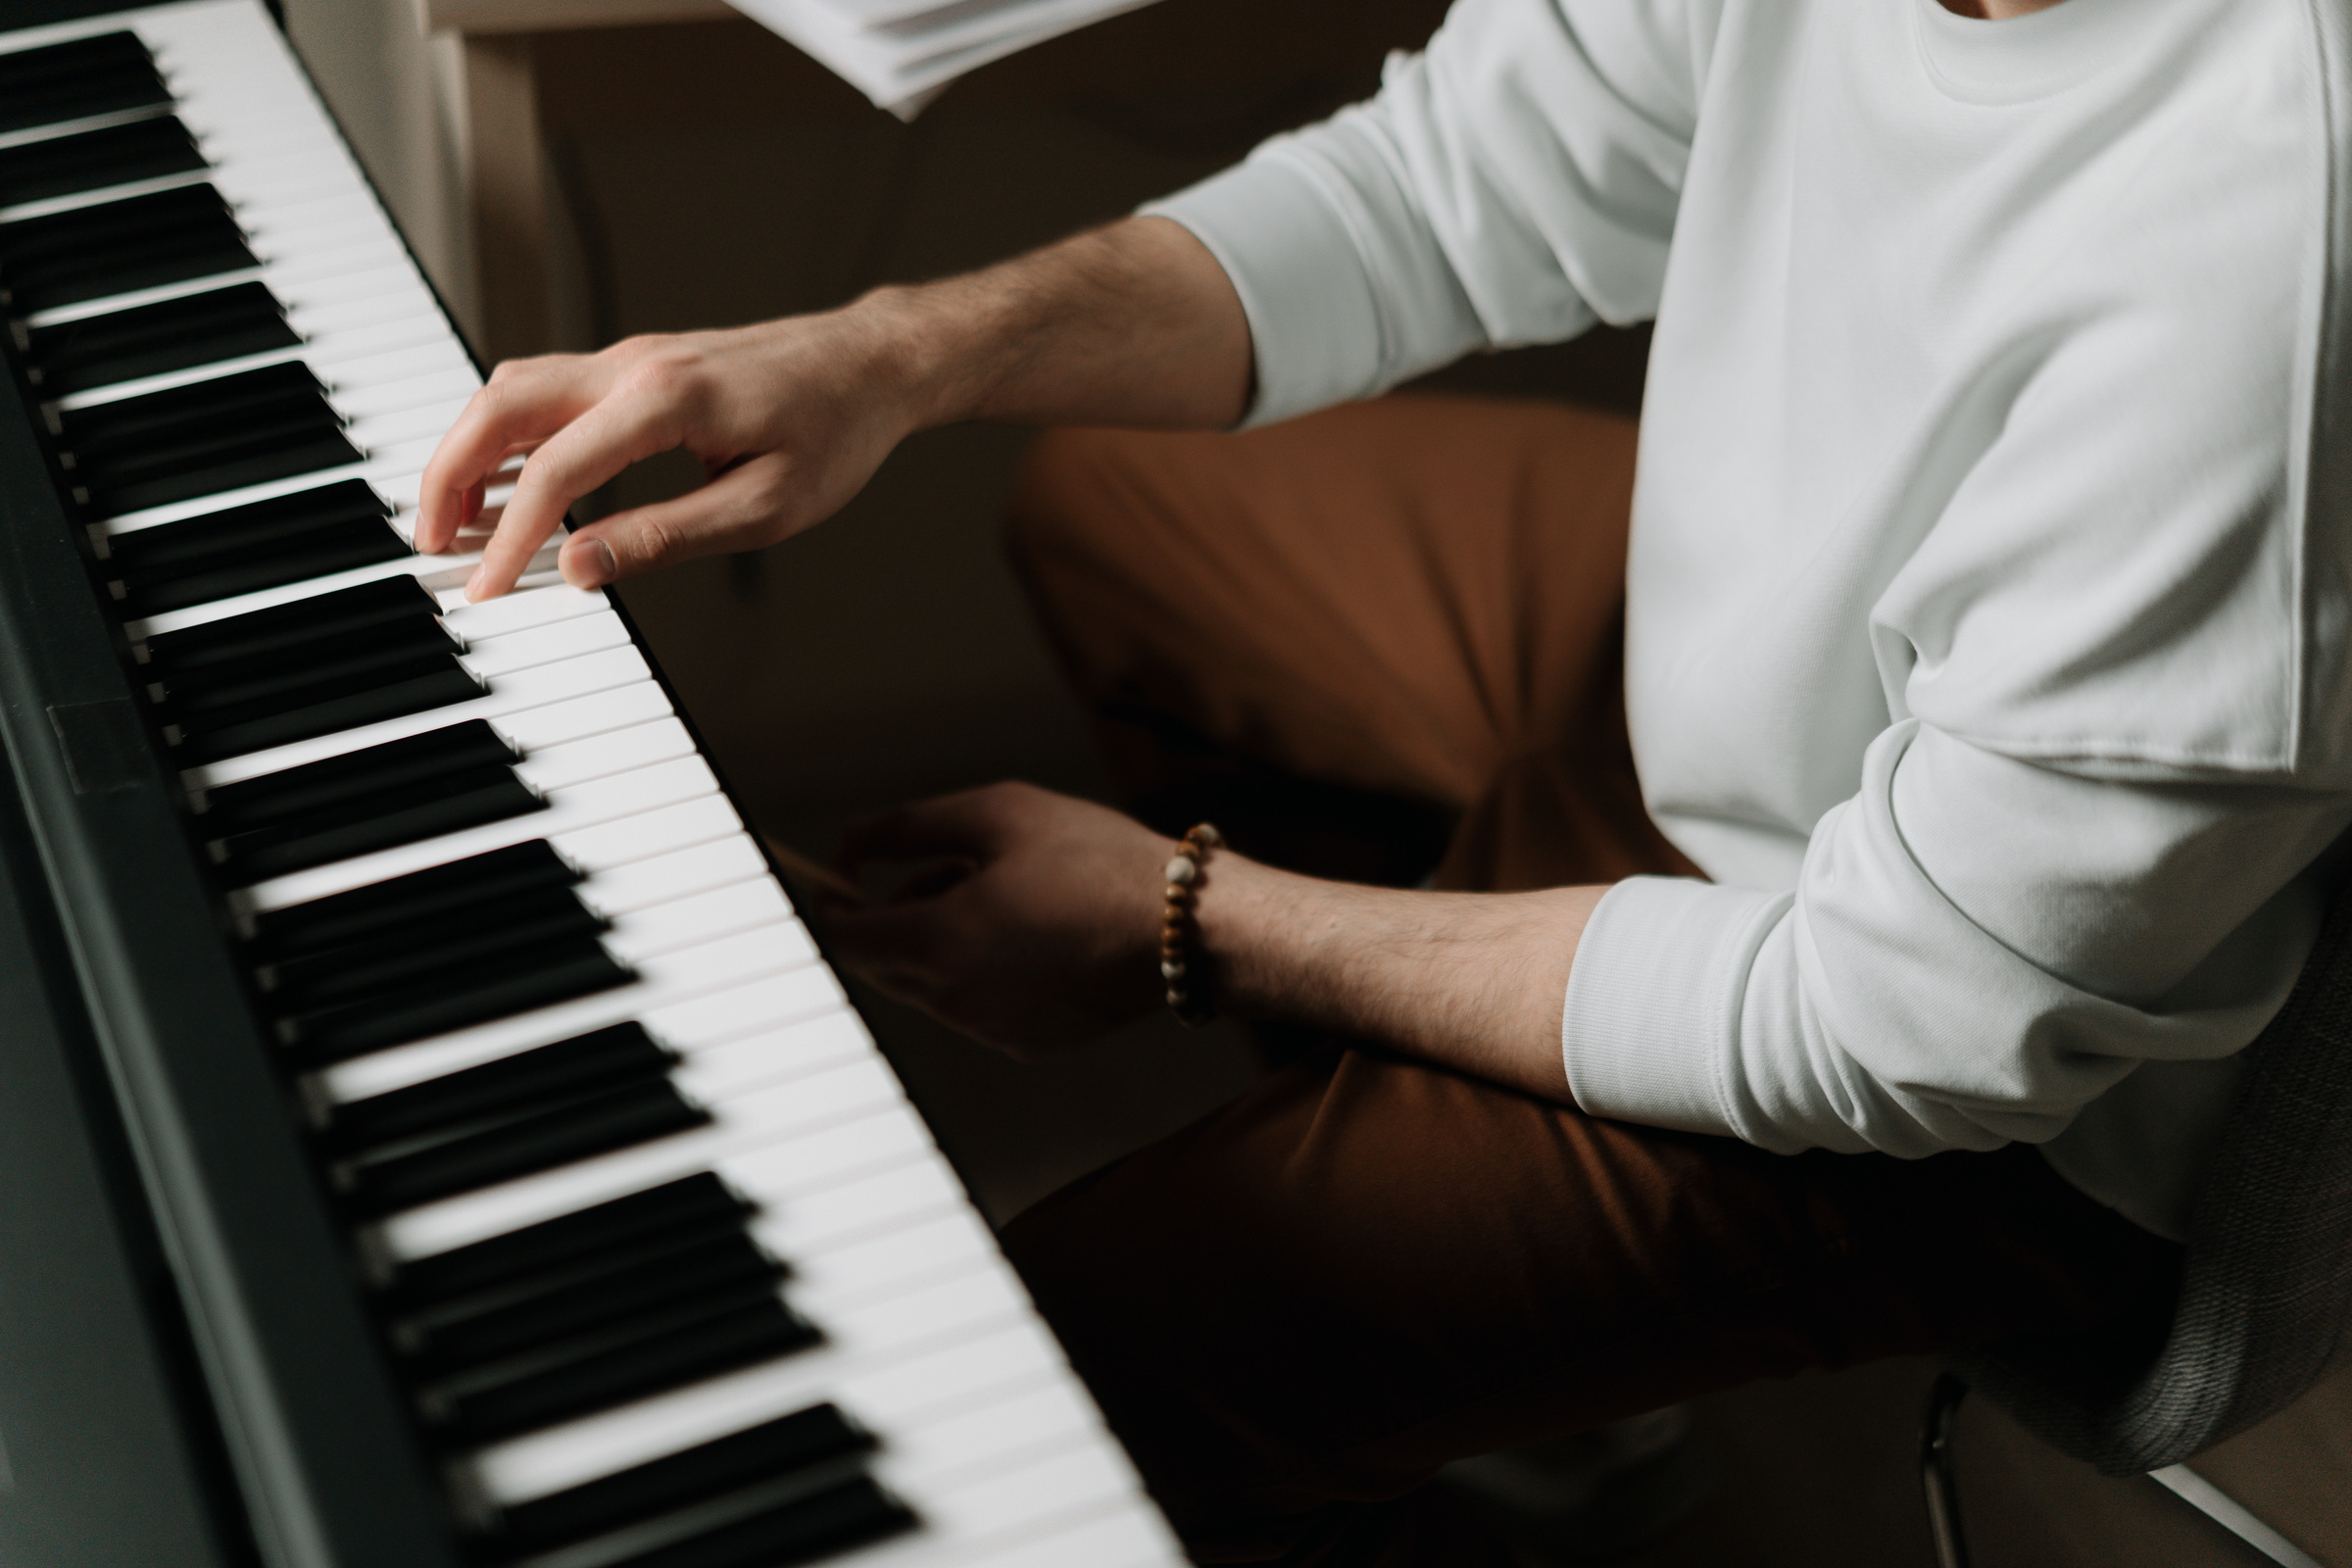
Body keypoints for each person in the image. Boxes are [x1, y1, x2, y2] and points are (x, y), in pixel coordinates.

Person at [416, 0, 2352, 1559]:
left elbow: (1899, 1027)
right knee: (1127, 511)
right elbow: (1437, 185)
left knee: (1071, 1366)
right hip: (1776, 707)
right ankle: (1516, 1387)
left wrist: (1196, 918)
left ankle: (1412, 1352)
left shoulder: (2266, 235)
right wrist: (890, 353)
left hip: (1979, 1081)